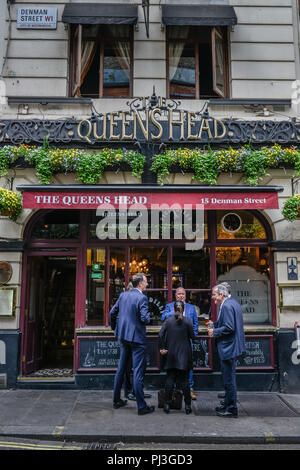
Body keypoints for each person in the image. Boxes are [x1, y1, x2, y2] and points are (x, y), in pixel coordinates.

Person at [109, 273, 155, 416]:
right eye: (146, 282)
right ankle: (141, 406)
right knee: (138, 372)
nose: (147, 284)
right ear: (140, 283)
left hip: (123, 337)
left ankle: (117, 400)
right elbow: (145, 318)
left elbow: (112, 312)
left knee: (121, 369)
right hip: (136, 339)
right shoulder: (142, 298)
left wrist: (115, 328)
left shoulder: (123, 295)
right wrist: (148, 318)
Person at [208, 284, 246, 418]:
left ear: (221, 295)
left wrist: (215, 331)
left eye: (214, 295)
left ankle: (231, 409)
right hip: (231, 346)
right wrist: (216, 324)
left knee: (229, 379)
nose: (213, 298)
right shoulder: (232, 302)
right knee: (228, 378)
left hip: (229, 347)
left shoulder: (227, 306)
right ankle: (227, 403)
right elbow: (229, 323)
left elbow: (229, 327)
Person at [161, 287, 198, 400]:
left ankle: (190, 389)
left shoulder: (191, 308)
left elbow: (195, 324)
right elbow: (163, 318)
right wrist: (175, 311)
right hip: (172, 342)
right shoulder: (169, 306)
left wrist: (193, 336)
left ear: (185, 296)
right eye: (179, 294)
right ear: (175, 295)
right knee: (173, 367)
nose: (181, 296)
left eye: (183, 294)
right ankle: (176, 390)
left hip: (186, 342)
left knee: (188, 367)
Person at [159, 300, 195, 415]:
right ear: (183, 309)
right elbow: (192, 337)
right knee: (185, 381)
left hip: (170, 354)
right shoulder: (188, 321)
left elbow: (160, 334)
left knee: (170, 379)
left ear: (173, 309)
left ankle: (167, 404)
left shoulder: (168, 321)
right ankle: (188, 406)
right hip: (184, 355)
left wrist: (162, 348)